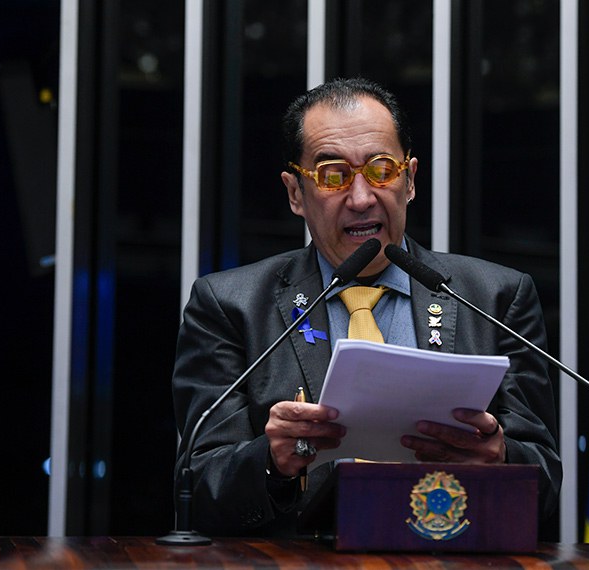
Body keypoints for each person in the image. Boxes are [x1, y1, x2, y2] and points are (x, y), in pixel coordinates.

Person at [171, 77, 561, 537]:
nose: (361, 197)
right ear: (296, 192)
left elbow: (547, 489)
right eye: (333, 175)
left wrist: (500, 458)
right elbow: (196, 490)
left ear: (410, 179)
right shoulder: (230, 305)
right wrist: (272, 462)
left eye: (381, 170)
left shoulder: (495, 297)